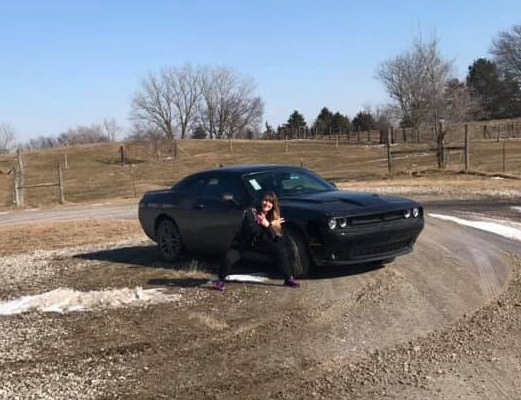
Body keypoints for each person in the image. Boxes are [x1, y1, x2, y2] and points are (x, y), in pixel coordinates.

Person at [214, 191, 300, 291]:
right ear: (261, 201)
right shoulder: (251, 212)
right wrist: (270, 225)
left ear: (273, 205)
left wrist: (268, 225)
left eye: (270, 202)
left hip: (261, 245)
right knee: (228, 258)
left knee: (280, 248)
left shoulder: (273, 216)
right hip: (244, 244)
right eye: (265, 200)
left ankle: (288, 278)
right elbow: (254, 231)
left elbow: (276, 237)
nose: (267, 204)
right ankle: (220, 280)